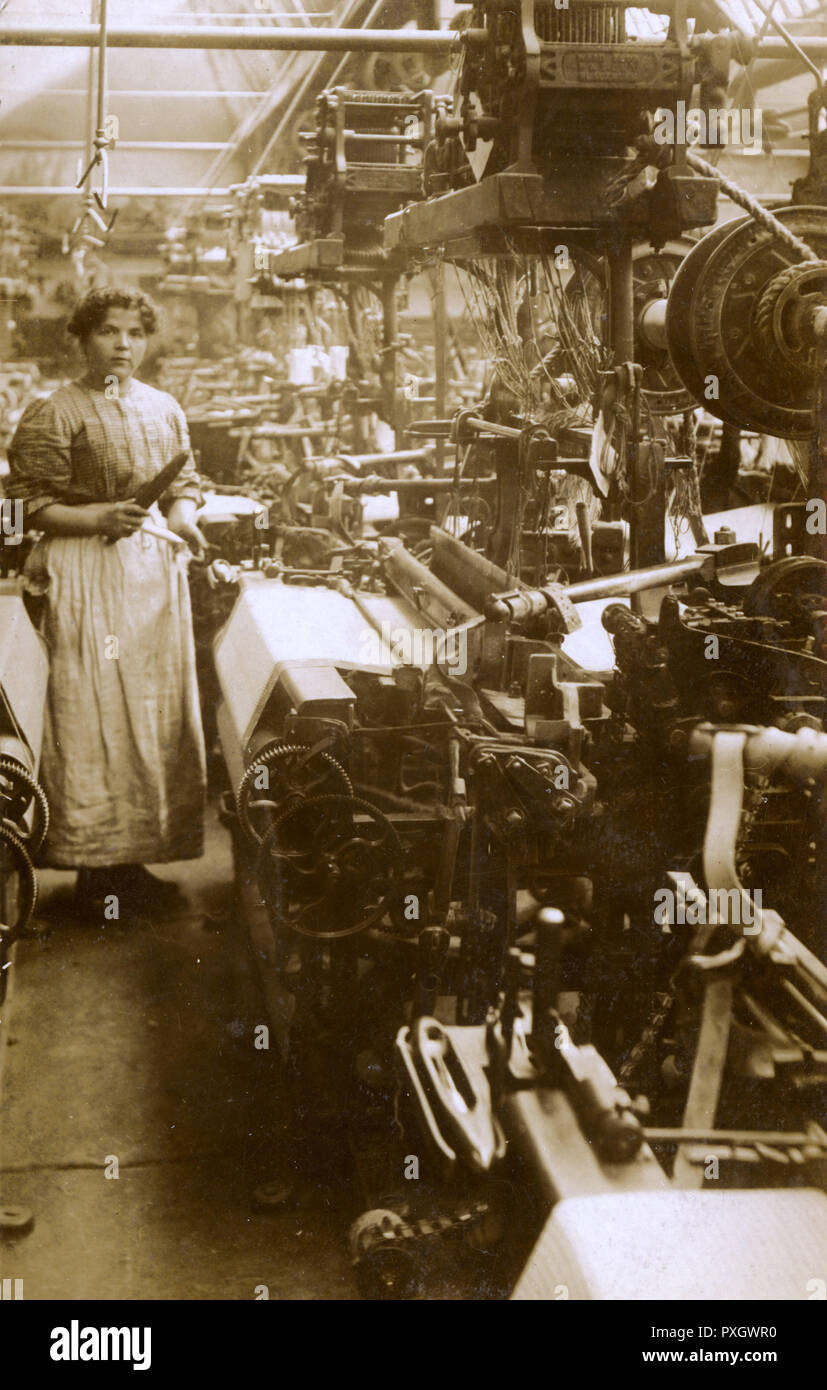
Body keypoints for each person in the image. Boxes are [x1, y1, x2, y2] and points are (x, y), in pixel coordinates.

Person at [6, 287, 208, 916]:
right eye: (108, 332)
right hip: (87, 575)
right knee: (94, 714)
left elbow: (187, 478)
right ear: (83, 340)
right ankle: (96, 870)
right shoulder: (54, 412)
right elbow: (22, 509)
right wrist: (95, 516)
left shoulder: (164, 407)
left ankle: (133, 861)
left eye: (135, 334)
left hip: (151, 574)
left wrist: (184, 516)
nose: (123, 345)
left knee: (150, 712)